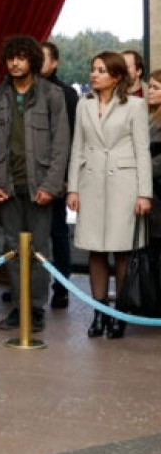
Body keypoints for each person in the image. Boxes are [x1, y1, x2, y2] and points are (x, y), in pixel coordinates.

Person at [0, 35, 70, 333]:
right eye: (10, 58)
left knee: (39, 250)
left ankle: (37, 308)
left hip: (39, 186)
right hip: (7, 186)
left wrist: (51, 186)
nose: (15, 63)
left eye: (21, 57)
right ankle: (19, 307)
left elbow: (61, 145)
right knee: (12, 249)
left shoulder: (52, 95)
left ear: (32, 60)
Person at [67, 52, 152, 339]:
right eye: (93, 69)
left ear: (116, 77)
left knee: (123, 250)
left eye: (101, 70)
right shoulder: (84, 104)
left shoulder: (136, 105)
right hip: (91, 183)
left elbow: (142, 151)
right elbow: (77, 147)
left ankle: (121, 315)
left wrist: (144, 194)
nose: (94, 74)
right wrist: (73, 188)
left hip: (125, 186)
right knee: (95, 250)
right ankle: (99, 312)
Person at [40, 41, 79, 309]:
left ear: (54, 62)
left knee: (57, 232)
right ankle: (27, 286)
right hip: (27, 175)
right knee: (27, 234)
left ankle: (61, 287)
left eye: (42, 57)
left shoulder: (66, 93)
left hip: (56, 174)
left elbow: (71, 137)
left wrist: (66, 177)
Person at [147, 69, 161, 261]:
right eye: (149, 86)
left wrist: (142, 169)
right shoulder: (149, 118)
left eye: (156, 88)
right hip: (151, 194)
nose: (150, 91)